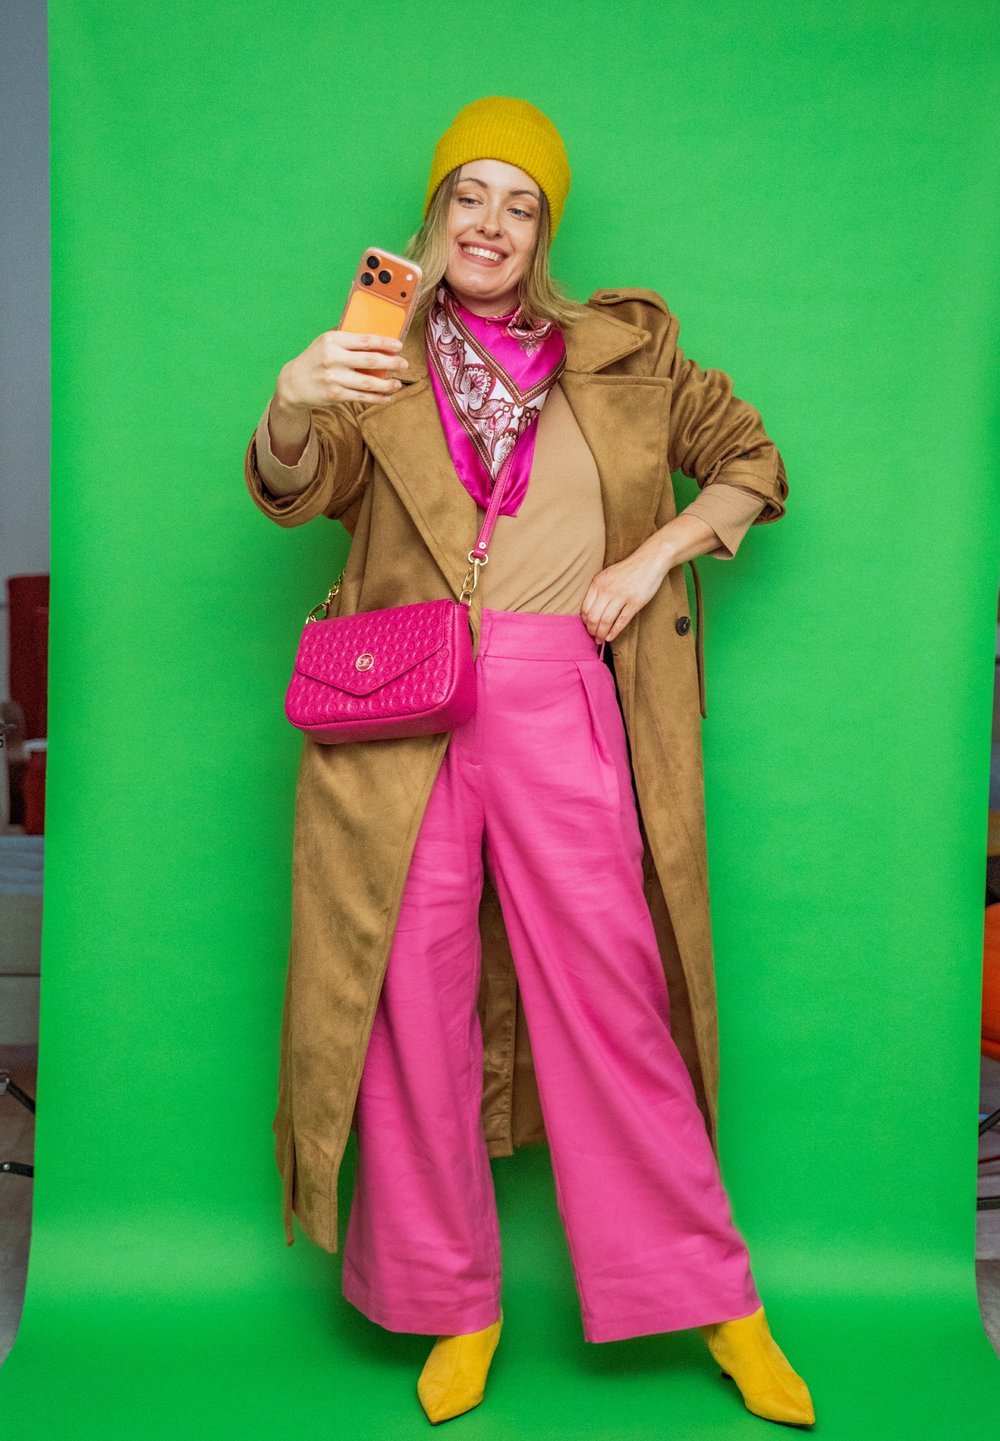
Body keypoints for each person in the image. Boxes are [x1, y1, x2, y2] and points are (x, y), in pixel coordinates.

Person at [244, 96, 814, 1428]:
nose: (491, 223)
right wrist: (291, 395)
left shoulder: (619, 355)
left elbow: (752, 463)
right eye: (469, 196)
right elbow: (293, 483)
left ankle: (723, 1304)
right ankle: (458, 1301)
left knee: (612, 994)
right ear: (435, 212)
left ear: (543, 226)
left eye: (519, 202)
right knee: (410, 1002)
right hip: (401, 711)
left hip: (559, 695)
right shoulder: (376, 351)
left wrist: (654, 553)